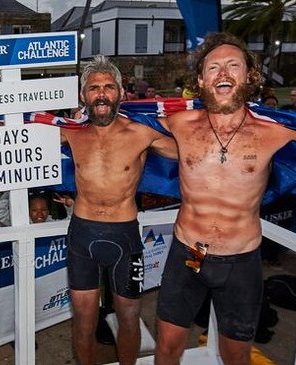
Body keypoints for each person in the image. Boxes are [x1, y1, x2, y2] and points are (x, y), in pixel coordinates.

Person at [154, 32, 296, 365]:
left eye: (233, 65)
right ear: (201, 81)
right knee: (168, 346)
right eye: (214, 67)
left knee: (236, 355)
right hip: (193, 254)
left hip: (240, 260)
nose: (223, 73)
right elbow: (123, 133)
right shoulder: (180, 124)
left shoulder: (274, 132)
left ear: (249, 76)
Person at [61, 55, 177, 365]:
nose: (101, 94)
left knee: (129, 317)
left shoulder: (141, 133)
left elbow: (193, 152)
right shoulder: (71, 133)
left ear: (121, 93)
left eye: (108, 87)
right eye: (94, 88)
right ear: (83, 95)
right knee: (83, 320)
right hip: (82, 236)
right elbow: (17, 139)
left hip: (124, 236)